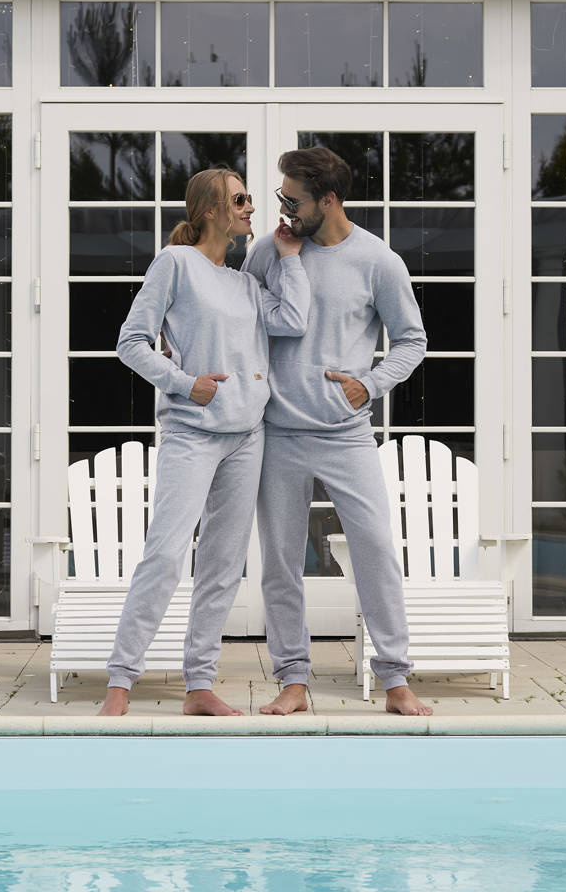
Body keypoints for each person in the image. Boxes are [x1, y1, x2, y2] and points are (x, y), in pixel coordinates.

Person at [99, 168, 310, 717]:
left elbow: (293, 319)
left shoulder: (245, 284)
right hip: (192, 433)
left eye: (249, 199)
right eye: (239, 200)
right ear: (211, 210)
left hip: (247, 435)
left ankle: (199, 685)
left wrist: (289, 257)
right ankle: (120, 683)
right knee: (166, 555)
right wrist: (184, 382)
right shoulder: (175, 264)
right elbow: (130, 342)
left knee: (222, 564)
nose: (250, 207)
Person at [242, 146, 433, 717]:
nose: (283, 210)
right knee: (281, 563)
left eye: (293, 200)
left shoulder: (378, 261)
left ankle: (395, 679)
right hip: (278, 433)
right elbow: (238, 320)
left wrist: (369, 386)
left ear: (328, 200)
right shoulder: (268, 252)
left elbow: (412, 340)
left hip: (347, 434)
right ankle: (293, 680)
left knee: (375, 551)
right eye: (281, 198)